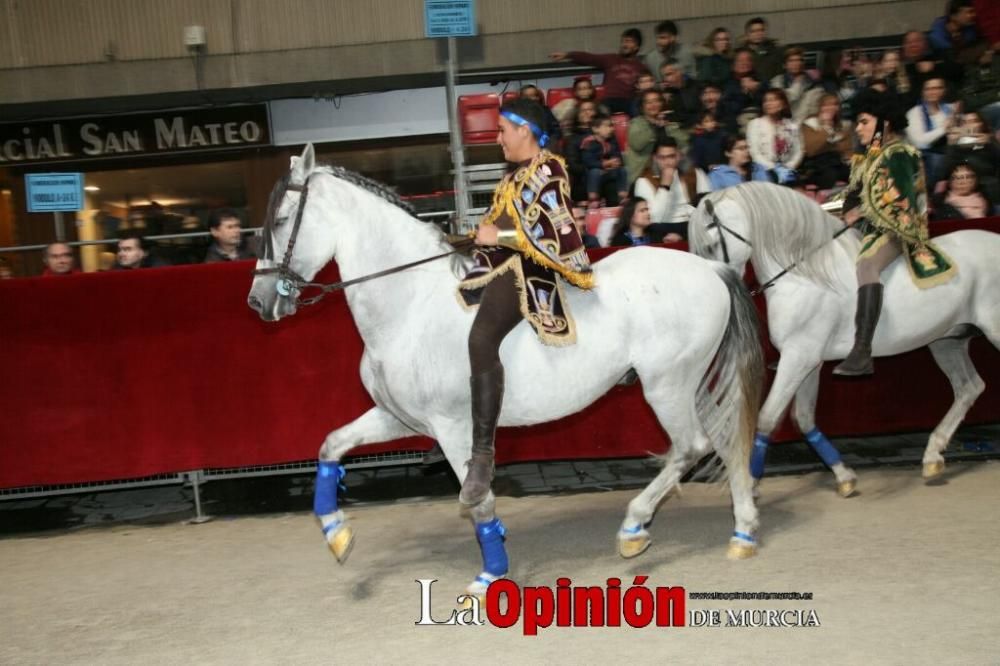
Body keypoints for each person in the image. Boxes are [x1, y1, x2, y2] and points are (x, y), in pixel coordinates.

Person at [456, 98, 594, 505]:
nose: (497, 138)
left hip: (534, 271)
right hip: (506, 263)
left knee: (481, 338)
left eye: (501, 130)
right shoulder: (512, 179)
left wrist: (495, 238)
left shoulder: (549, 170)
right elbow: (495, 226)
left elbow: (555, 236)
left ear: (524, 131)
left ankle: (482, 455)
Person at [832, 88, 956, 376]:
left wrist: (860, 211)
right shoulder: (866, 159)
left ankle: (862, 350)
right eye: (857, 123)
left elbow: (903, 199)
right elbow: (853, 195)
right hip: (868, 229)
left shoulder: (900, 153)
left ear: (884, 122)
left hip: (898, 229)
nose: (858, 129)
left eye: (864, 122)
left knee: (866, 266)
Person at [550, 29, 650, 115]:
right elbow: (589, 58)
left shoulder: (641, 67)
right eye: (623, 41)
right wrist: (568, 55)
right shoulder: (611, 59)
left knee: (640, 109)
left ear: (637, 47)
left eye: (629, 41)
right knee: (600, 112)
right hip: (609, 100)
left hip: (630, 101)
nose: (624, 44)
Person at [633, 137, 709, 236]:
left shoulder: (695, 174)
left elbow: (708, 206)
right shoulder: (644, 181)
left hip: (692, 224)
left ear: (678, 156)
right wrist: (665, 186)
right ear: (655, 158)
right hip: (662, 228)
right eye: (662, 158)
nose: (667, 162)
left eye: (671, 156)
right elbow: (654, 219)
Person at [624, 89, 687, 185]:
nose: (653, 105)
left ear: (662, 103)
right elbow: (637, 144)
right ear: (642, 106)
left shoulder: (668, 123)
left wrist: (669, 126)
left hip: (670, 168)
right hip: (644, 172)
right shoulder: (636, 123)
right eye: (648, 102)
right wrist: (654, 126)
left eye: (656, 101)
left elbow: (684, 143)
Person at [905, 77, 958, 187]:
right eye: (929, 89)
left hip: (949, 151)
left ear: (944, 90)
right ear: (923, 92)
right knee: (937, 159)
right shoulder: (915, 113)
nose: (934, 92)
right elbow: (920, 142)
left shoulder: (949, 109)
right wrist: (944, 129)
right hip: (923, 157)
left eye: (938, 88)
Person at [746, 88, 803, 184]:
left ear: (783, 103)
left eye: (773, 100)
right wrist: (773, 168)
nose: (768, 104)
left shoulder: (792, 126)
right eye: (766, 101)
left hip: (787, 169)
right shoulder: (755, 124)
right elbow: (754, 152)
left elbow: (799, 150)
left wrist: (788, 167)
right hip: (764, 170)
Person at [800, 93, 853, 189]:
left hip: (836, 161)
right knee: (830, 175)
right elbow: (811, 150)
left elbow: (847, 150)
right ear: (820, 107)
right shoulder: (810, 123)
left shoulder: (842, 126)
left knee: (853, 173)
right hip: (816, 163)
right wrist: (826, 127)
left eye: (834, 105)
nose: (830, 108)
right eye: (826, 105)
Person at [580, 114, 628, 207]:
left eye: (611, 126)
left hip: (610, 170)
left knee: (623, 170)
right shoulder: (588, 142)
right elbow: (588, 161)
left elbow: (618, 156)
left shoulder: (612, 142)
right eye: (607, 126)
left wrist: (616, 162)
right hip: (595, 172)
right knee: (594, 172)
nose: (611, 129)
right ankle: (593, 198)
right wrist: (604, 164)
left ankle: (622, 195)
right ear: (595, 129)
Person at [770, 46, 821, 120]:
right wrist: (797, 84)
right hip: (783, 124)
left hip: (806, 124)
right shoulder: (777, 81)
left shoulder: (813, 83)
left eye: (799, 60)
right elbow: (782, 102)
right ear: (784, 65)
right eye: (791, 61)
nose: (796, 63)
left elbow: (815, 108)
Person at [608, 196, 678, 246]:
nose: (647, 213)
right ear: (630, 215)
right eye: (642, 210)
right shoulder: (619, 241)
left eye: (647, 210)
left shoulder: (657, 235)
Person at [739, 17, 783, 83]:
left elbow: (780, 74)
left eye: (761, 30)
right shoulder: (741, 54)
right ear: (747, 34)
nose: (758, 34)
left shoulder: (775, 51)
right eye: (753, 31)